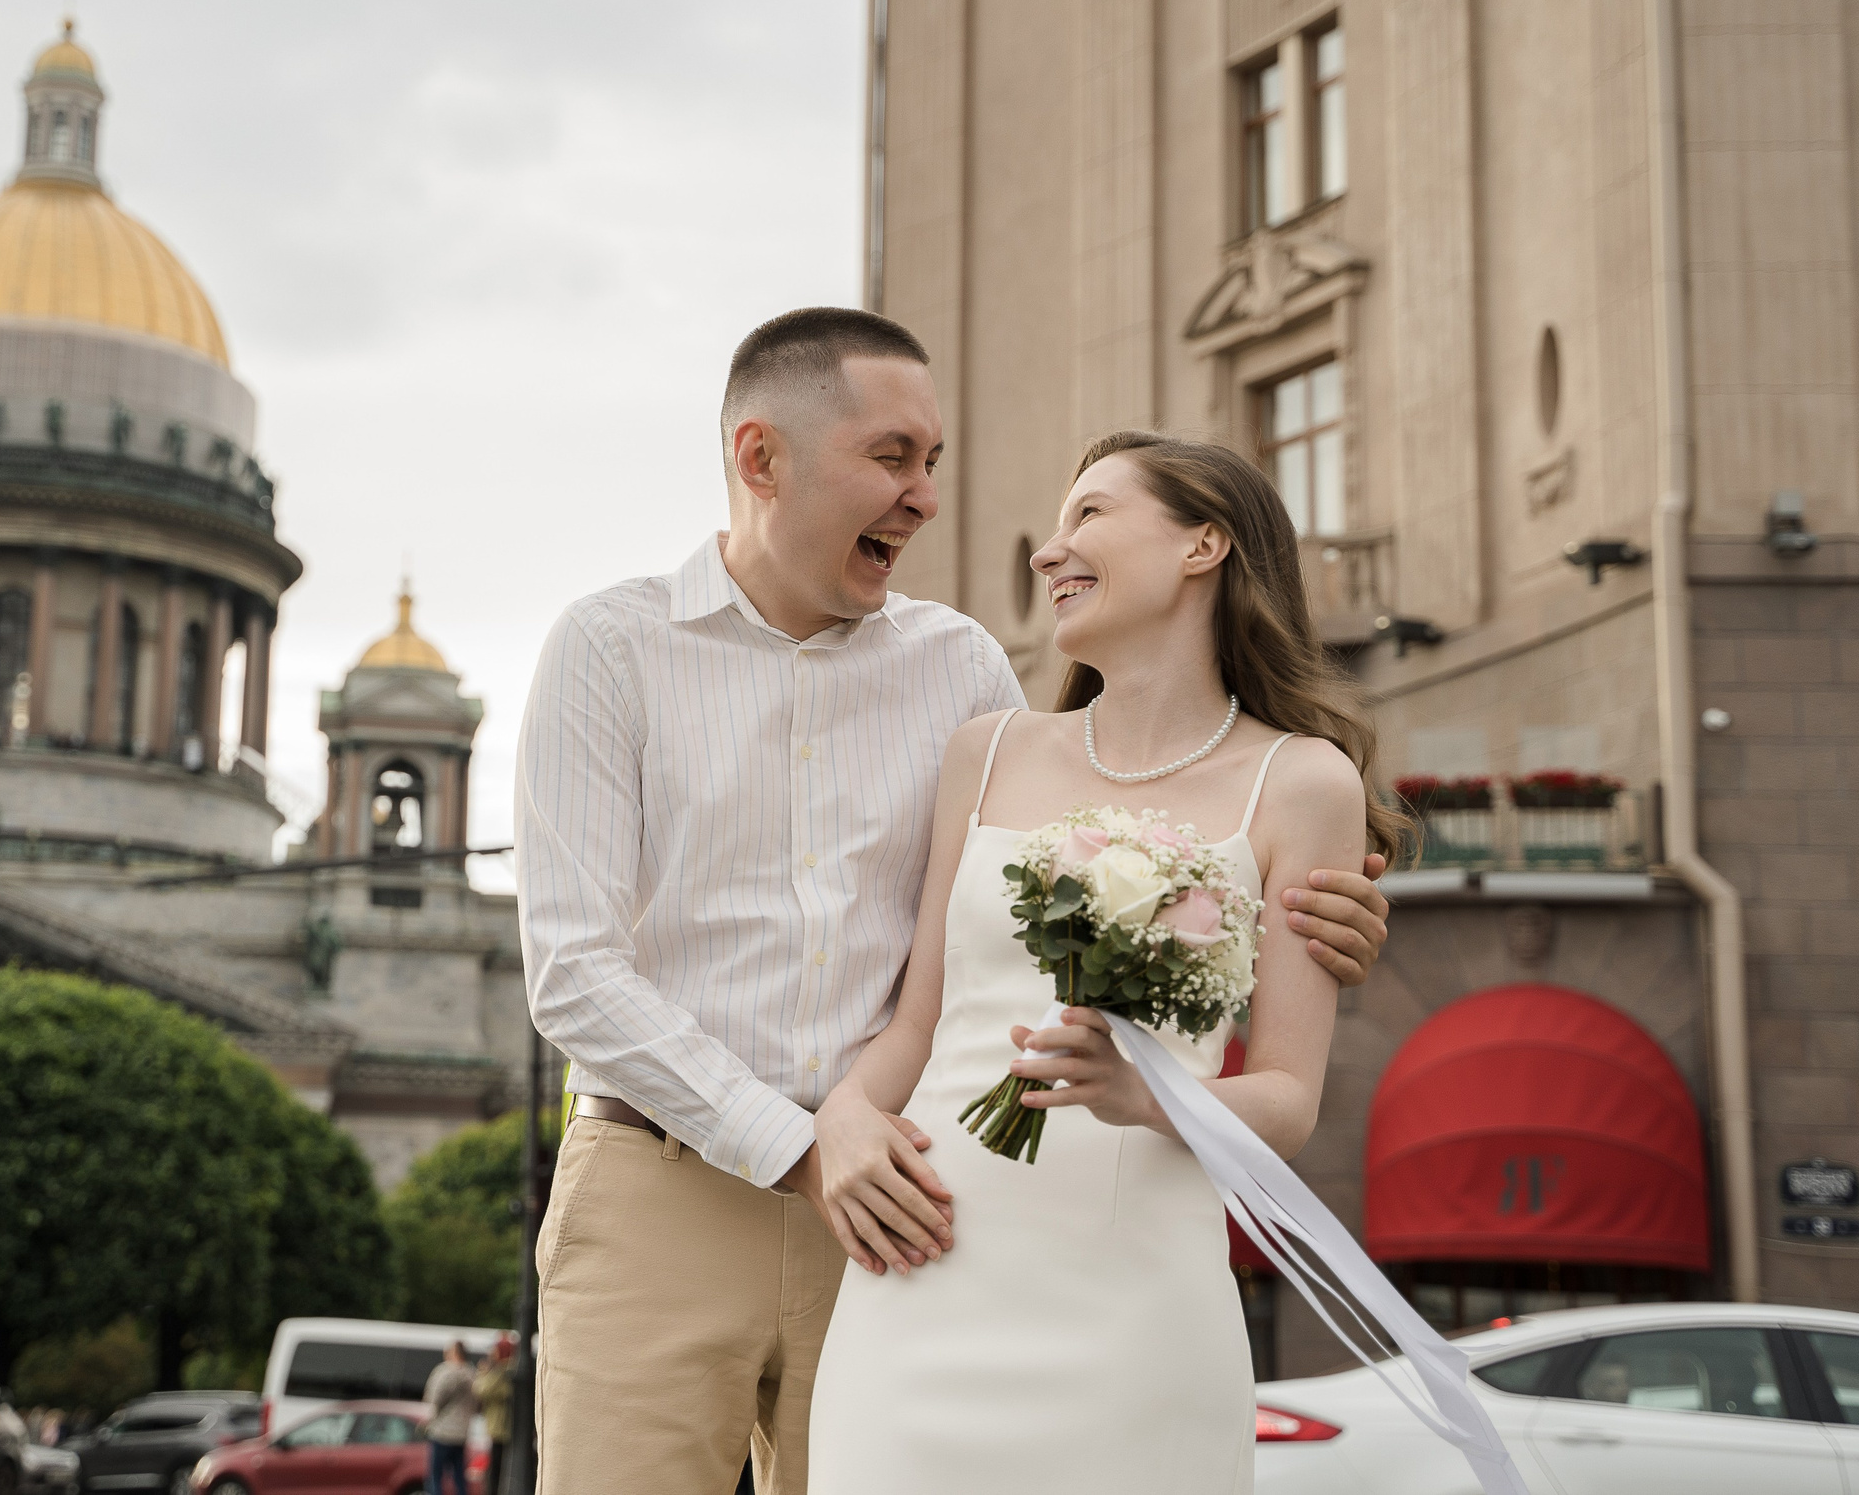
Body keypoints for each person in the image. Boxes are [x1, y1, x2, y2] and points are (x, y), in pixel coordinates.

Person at [518, 310, 1399, 1495]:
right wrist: (808, 1146)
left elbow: (1110, 834)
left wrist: (1285, 908)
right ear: (761, 458)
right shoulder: (608, 650)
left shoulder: (965, 675)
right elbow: (571, 970)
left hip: (921, 1213)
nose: (925, 497)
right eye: (892, 458)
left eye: (933, 462)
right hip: (668, 1188)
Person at [803, 430, 1404, 1490]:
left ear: (1201, 545)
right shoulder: (985, 752)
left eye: (1089, 514)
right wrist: (842, 1119)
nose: (1049, 549)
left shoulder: (1302, 783)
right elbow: (918, 1023)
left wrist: (1143, 1092)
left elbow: (1286, 1101)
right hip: (924, 1277)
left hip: (1136, 1311)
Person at [419, 1341, 474, 1495]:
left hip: (442, 1432)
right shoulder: (472, 1374)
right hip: (462, 1433)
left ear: (453, 1353)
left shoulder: (444, 1372)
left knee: (435, 1477)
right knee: (459, 1478)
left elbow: (433, 1398)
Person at [472, 1334, 515, 1495]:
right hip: (502, 1426)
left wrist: (482, 1373)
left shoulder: (502, 1370)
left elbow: (481, 1389)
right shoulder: (507, 1369)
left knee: (496, 1470)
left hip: (500, 1428)